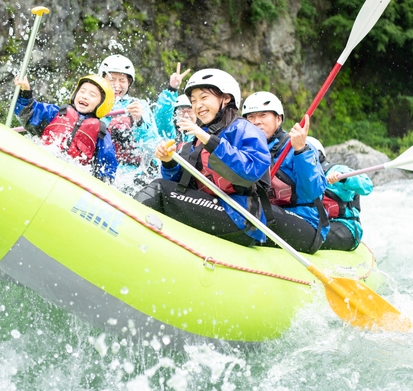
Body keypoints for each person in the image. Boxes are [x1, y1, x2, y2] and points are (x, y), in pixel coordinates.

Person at [134, 68, 272, 246]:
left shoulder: (244, 129)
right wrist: (168, 163)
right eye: (193, 101)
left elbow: (252, 170)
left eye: (204, 98)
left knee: (159, 190)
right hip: (210, 206)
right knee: (163, 186)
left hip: (239, 215)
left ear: (226, 98)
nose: (197, 105)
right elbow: (180, 183)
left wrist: (210, 141)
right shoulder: (197, 137)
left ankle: (124, 226)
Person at [242, 91, 329, 253]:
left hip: (305, 222)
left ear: (279, 119)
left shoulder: (295, 146)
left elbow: (313, 191)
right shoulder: (246, 148)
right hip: (270, 216)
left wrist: (301, 151)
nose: (256, 122)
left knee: (249, 208)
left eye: (263, 115)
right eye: (250, 117)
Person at [14, 74, 118, 183]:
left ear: (103, 103)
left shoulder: (101, 133)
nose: (85, 96)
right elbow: (28, 112)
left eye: (92, 95)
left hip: (70, 182)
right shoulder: (56, 113)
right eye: (82, 91)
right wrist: (25, 91)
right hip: (42, 165)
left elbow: (107, 165)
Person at [306, 137, 373, 251]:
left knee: (308, 234)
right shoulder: (304, 177)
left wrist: (343, 178)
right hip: (322, 223)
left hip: (347, 228)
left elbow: (367, 185)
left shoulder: (336, 170)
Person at [98, 54, 160, 175]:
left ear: (129, 83)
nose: (116, 85)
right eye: (111, 79)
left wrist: (139, 121)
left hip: (131, 174)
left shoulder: (139, 106)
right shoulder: (93, 102)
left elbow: (152, 147)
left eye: (122, 80)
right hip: (99, 167)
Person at [154, 62, 191, 140]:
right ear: (175, 115)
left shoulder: (203, 135)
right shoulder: (170, 134)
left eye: (190, 111)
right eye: (182, 111)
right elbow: (162, 115)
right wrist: (172, 89)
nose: (186, 115)